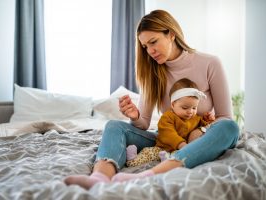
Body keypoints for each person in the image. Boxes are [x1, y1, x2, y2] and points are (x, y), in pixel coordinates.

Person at [64, 9, 239, 188]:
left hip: (200, 138)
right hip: (166, 139)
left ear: (171, 34)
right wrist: (134, 116)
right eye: (145, 46)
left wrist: (200, 133)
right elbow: (143, 124)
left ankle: (150, 175)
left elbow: (225, 116)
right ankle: (98, 179)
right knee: (114, 126)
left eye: (153, 42)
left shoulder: (210, 63)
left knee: (230, 128)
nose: (150, 51)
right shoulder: (151, 72)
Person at [126, 78, 212, 167]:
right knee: (149, 152)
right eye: (185, 108)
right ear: (173, 104)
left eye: (194, 108)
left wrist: (207, 120)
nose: (190, 111)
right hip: (163, 148)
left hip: (178, 151)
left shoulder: (195, 118)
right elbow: (168, 133)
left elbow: (206, 127)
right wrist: (181, 144)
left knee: (178, 156)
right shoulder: (168, 117)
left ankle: (166, 161)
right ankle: (133, 159)